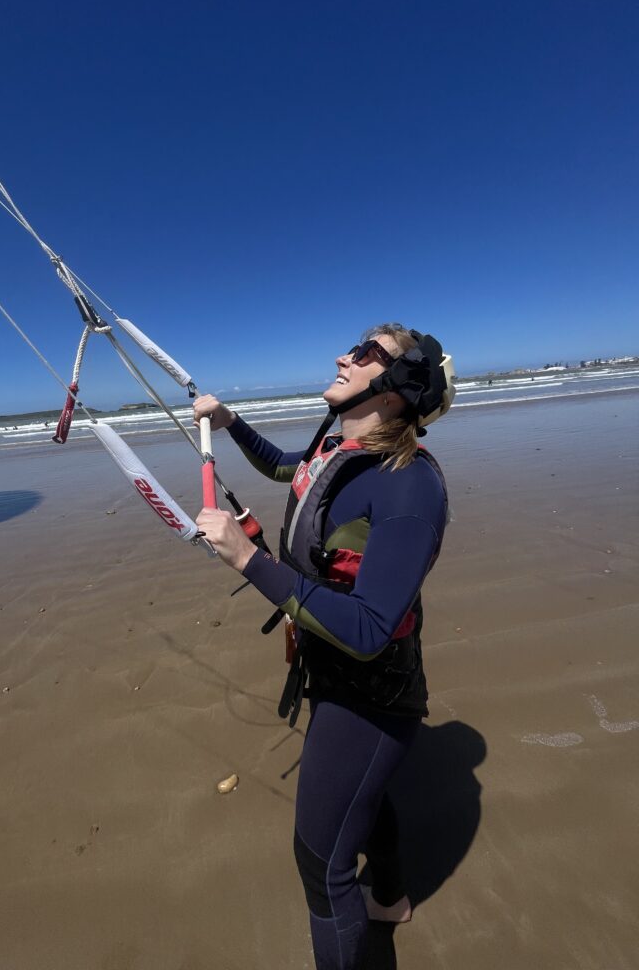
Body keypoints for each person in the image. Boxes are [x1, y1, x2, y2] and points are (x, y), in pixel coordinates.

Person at [194, 323, 455, 970]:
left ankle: (376, 908)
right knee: (365, 795)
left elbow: (368, 629)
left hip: (371, 691)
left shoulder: (408, 486)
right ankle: (391, 900)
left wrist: (247, 558)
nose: (344, 354)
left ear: (395, 392)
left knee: (321, 863)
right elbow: (288, 468)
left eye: (367, 353)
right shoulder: (338, 445)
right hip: (328, 664)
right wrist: (229, 421)